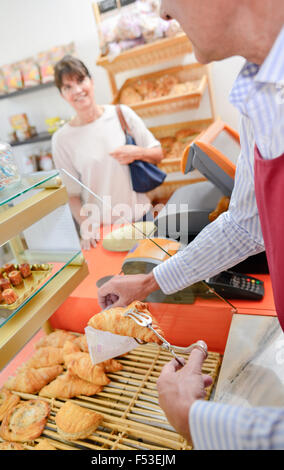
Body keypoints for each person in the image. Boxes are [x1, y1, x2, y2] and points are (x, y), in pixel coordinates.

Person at [97, 0, 284, 449]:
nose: (162, 13)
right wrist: (147, 283)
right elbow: (244, 226)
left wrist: (195, 422)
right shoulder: (260, 96)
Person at [52, 55, 163, 250]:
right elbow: (72, 195)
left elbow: (158, 154)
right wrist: (86, 227)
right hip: (103, 230)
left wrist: (137, 152)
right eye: (68, 87)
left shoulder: (122, 114)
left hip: (141, 218)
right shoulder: (62, 139)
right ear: (62, 95)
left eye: (80, 80)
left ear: (91, 81)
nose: (77, 90)